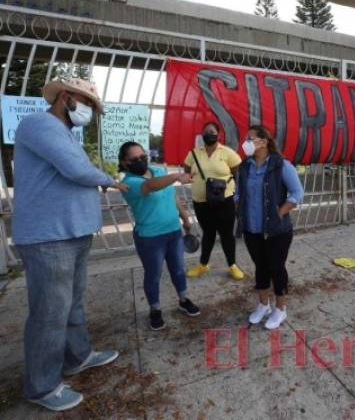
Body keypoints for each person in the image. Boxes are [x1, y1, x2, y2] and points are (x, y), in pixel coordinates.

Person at [12, 78, 127, 411]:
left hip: (71, 232)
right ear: (65, 97)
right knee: (49, 314)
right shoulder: (39, 124)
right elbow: (77, 170)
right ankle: (42, 385)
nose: (91, 111)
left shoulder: (64, 132)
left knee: (72, 302)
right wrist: (110, 180)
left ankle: (78, 356)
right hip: (50, 236)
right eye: (87, 103)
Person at [119, 142, 201, 331]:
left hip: (173, 231)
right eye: (135, 159)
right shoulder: (128, 183)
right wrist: (176, 176)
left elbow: (171, 196)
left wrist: (185, 217)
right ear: (124, 163)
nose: (141, 161)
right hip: (150, 237)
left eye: (142, 156)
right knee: (153, 275)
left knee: (179, 269)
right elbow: (150, 186)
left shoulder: (158, 171)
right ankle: (155, 309)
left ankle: (183, 299)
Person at [236, 125, 304, 330]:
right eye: (246, 139)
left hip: (277, 230)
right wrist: (238, 205)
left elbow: (297, 193)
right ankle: (263, 305)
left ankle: (281, 309)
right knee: (260, 267)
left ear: (264, 142)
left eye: (251, 139)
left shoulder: (281, 165)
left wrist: (279, 213)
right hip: (251, 228)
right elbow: (239, 193)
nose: (246, 143)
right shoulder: (245, 166)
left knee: (276, 267)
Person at [184, 122, 244, 280]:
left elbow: (236, 171)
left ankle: (232, 265)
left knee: (226, 235)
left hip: (224, 201)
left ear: (218, 134)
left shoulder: (227, 152)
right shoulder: (194, 153)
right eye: (205, 132)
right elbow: (187, 171)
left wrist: (233, 191)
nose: (208, 134)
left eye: (212, 131)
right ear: (201, 135)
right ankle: (203, 265)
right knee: (208, 233)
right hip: (201, 202)